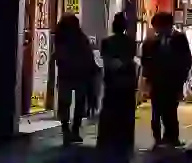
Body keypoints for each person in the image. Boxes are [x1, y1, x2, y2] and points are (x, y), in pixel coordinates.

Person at [141, 12, 192, 148]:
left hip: (173, 82)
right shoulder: (152, 41)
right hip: (157, 81)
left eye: (158, 26)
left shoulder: (179, 38)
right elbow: (146, 61)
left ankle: (171, 137)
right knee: (156, 112)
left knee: (170, 111)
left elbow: (186, 60)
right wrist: (147, 79)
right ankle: (158, 138)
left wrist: (181, 79)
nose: (156, 30)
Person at [97, 13, 138, 155]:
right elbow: (131, 59)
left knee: (109, 112)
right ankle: (125, 141)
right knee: (126, 114)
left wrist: (114, 65)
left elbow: (105, 60)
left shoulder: (106, 42)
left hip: (112, 83)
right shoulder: (131, 42)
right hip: (127, 83)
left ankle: (107, 140)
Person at [53, 13, 97, 144]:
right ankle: (75, 130)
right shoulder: (81, 38)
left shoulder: (60, 38)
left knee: (64, 103)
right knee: (79, 103)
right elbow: (88, 56)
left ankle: (66, 130)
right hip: (80, 75)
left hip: (65, 75)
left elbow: (58, 57)